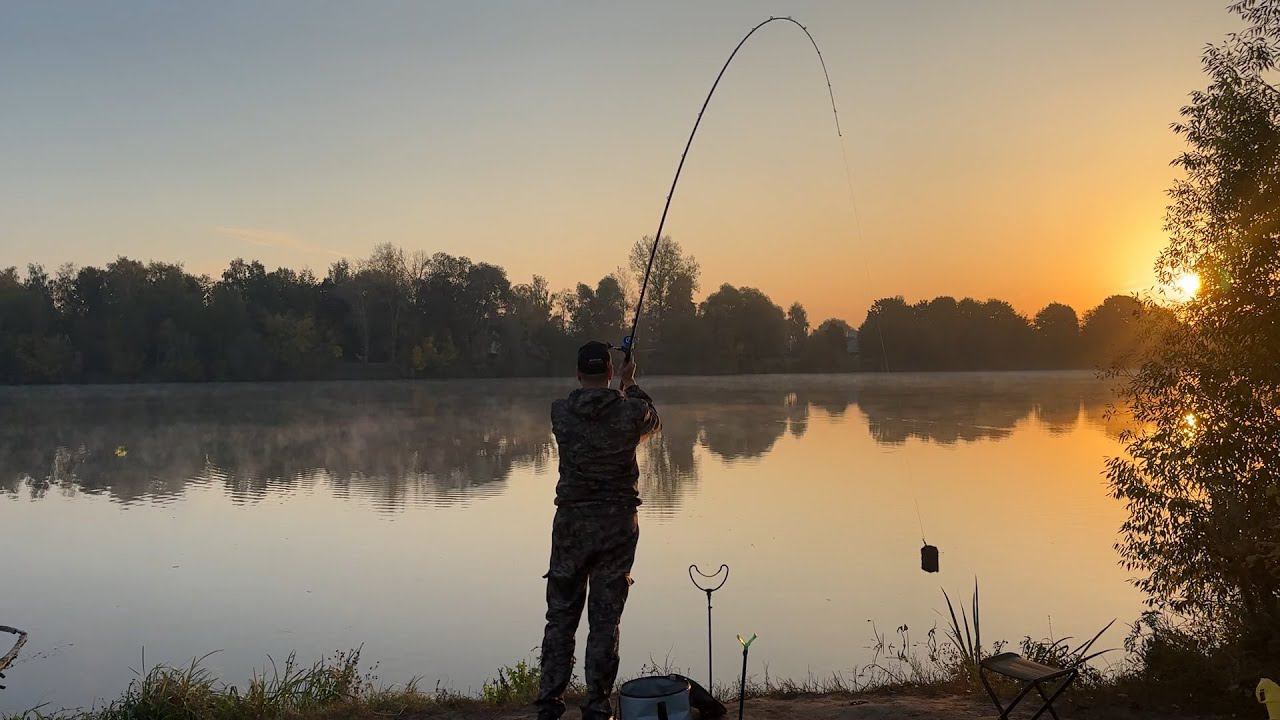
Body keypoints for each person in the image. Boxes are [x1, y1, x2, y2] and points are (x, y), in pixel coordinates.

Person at [535, 341, 661, 720]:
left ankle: (549, 704)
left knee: (560, 616)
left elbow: (597, 418)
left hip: (571, 525)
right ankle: (596, 705)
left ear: (577, 374)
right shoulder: (631, 410)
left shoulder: (560, 412)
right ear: (609, 371)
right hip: (616, 526)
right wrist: (631, 383)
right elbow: (651, 420)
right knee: (605, 620)